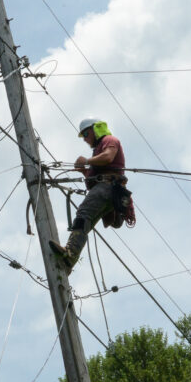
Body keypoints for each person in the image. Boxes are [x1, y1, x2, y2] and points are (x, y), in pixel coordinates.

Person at [51, 117, 128, 272]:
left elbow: (108, 156)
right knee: (85, 223)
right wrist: (84, 171)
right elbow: (97, 175)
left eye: (86, 134)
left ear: (95, 129)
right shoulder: (97, 151)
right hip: (107, 188)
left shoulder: (109, 140)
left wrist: (87, 161)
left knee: (83, 214)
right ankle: (68, 262)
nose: (85, 139)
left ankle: (70, 252)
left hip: (108, 186)